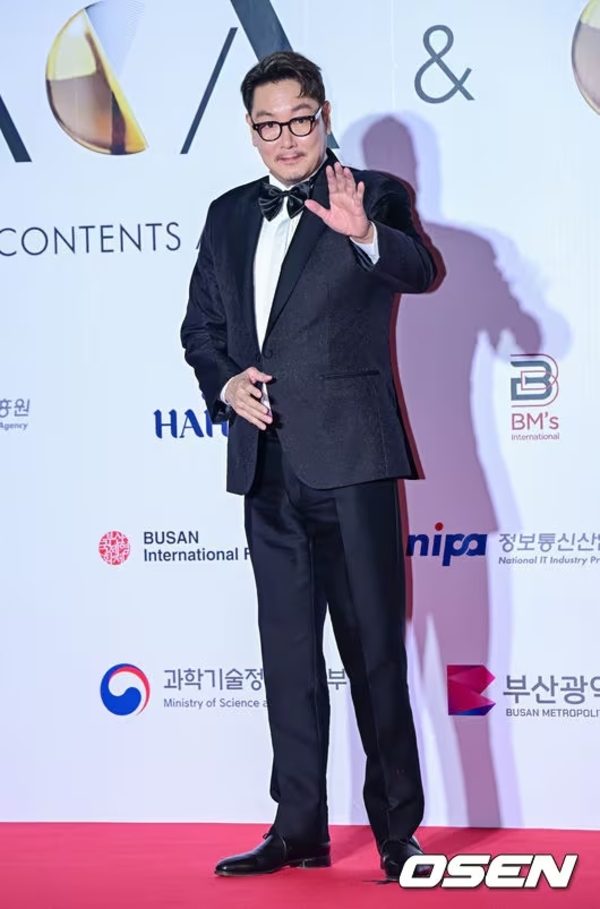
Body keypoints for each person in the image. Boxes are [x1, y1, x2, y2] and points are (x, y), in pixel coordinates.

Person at [181, 50, 437, 880]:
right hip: (265, 465)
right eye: (269, 125)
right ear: (250, 130)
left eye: (299, 120)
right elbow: (200, 329)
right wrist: (225, 381)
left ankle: (397, 831)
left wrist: (362, 233)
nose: (286, 138)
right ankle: (298, 827)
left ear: (324, 116)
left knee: (373, 653)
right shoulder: (227, 214)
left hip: (353, 461)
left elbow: (420, 270)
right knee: (287, 657)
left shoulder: (372, 192)